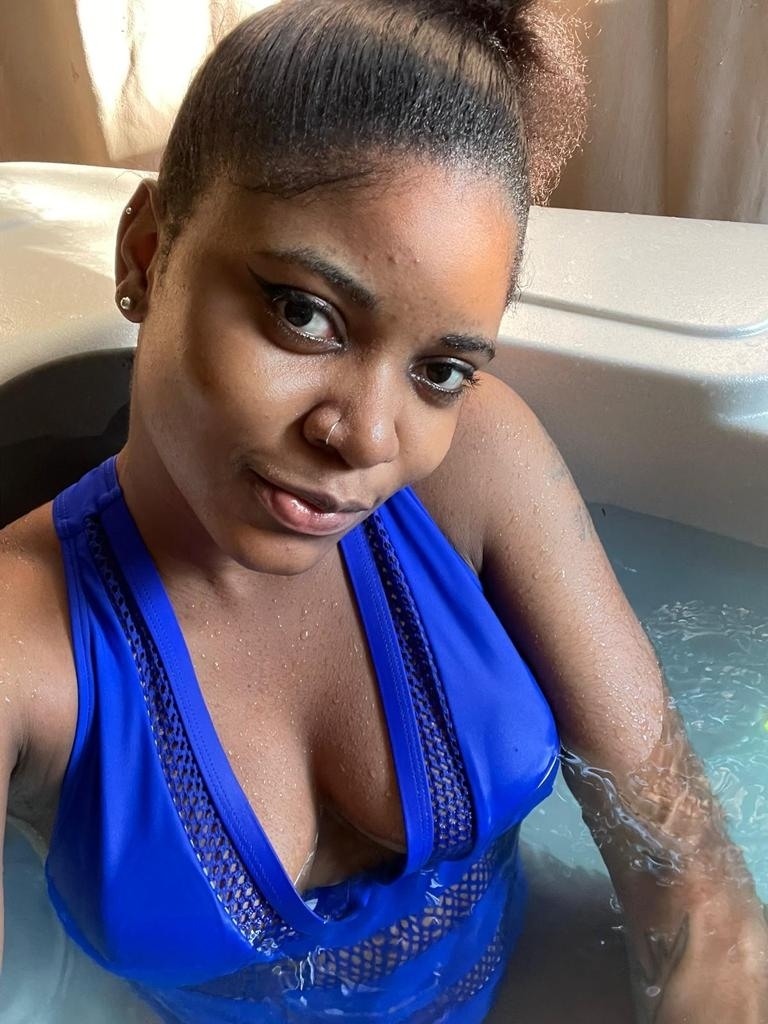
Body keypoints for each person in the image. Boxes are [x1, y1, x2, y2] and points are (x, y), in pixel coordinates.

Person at [0, 1, 766, 1022]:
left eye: (439, 369)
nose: (365, 437)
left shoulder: (478, 463)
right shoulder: (22, 646)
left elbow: (694, 888)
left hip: (540, 975)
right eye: (304, 313)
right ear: (145, 251)